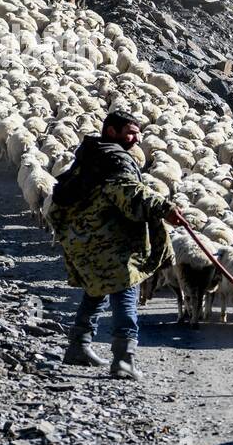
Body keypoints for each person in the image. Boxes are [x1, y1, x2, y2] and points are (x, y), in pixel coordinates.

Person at [46, 110, 181, 380]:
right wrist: (164, 207)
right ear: (112, 131)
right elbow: (128, 192)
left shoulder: (92, 154)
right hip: (111, 241)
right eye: (131, 132)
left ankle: (78, 346)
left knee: (95, 291)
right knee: (125, 295)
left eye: (138, 132)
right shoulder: (116, 159)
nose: (137, 138)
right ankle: (123, 359)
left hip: (86, 236)